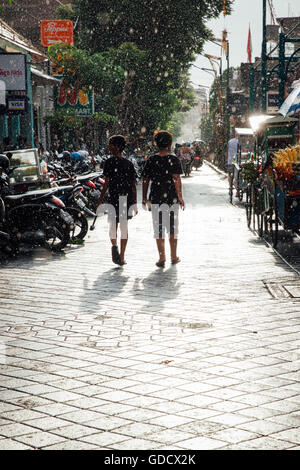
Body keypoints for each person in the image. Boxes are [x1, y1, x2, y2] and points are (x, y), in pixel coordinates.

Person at [142, 130, 184, 268]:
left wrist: (143, 197)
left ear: (156, 144)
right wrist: (180, 197)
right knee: (172, 228)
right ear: (170, 144)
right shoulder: (174, 159)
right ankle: (173, 256)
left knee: (158, 227)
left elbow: (145, 180)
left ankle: (162, 257)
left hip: (156, 195)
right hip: (171, 196)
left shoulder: (152, 160)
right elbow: (177, 179)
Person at [97, 135, 137, 266]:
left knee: (113, 225)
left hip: (113, 196)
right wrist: (135, 203)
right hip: (125, 197)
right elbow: (133, 185)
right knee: (124, 227)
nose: (109, 147)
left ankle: (114, 245)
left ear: (117, 147)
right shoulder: (129, 164)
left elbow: (106, 183)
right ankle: (122, 256)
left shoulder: (109, 162)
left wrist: (100, 199)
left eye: (110, 145)